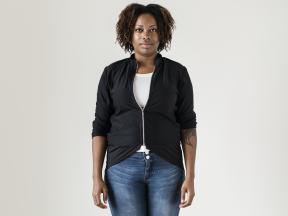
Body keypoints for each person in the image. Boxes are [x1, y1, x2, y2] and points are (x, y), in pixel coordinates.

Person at [91, 3, 197, 216]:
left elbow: (188, 126)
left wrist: (190, 177)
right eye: (139, 30)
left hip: (167, 167)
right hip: (121, 167)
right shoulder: (112, 74)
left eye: (152, 29)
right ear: (129, 34)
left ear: (162, 34)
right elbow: (100, 127)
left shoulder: (177, 73)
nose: (145, 36)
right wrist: (96, 178)